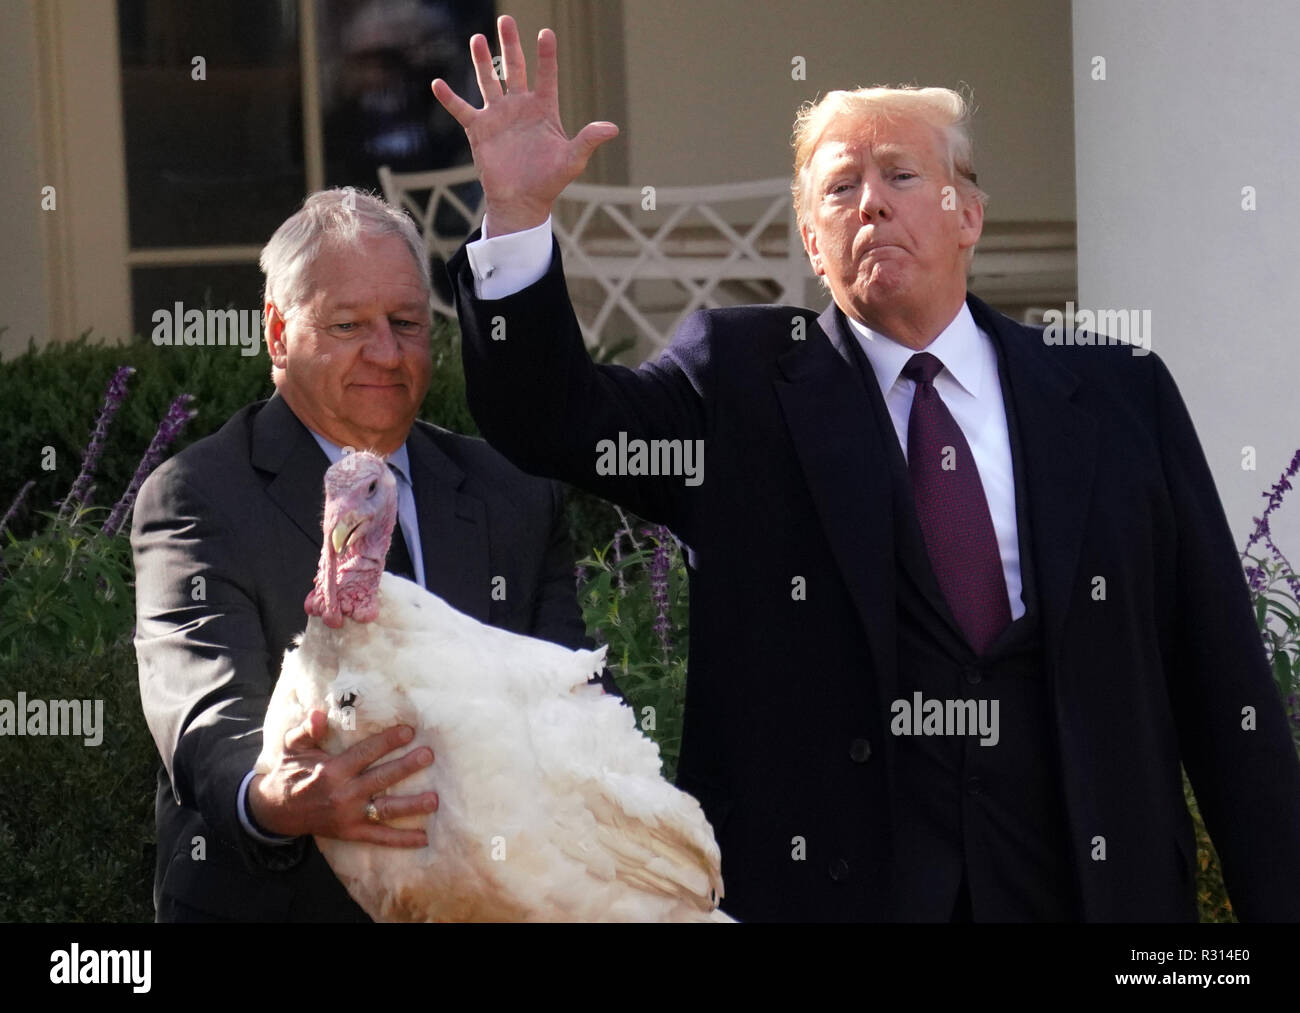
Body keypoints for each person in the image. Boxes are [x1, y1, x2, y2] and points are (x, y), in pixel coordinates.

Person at [433, 15, 1300, 921]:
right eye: (839, 189)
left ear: (968, 213)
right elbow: (555, 420)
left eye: (901, 175)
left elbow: (1223, 683)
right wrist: (521, 220)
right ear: (813, 244)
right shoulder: (738, 383)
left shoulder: (1120, 395)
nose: (871, 203)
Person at [132, 188, 606, 921]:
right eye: (349, 324)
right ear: (278, 334)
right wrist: (270, 794)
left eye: (406, 323)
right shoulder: (200, 496)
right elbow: (202, 708)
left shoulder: (513, 495)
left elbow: (576, 705)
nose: (385, 353)